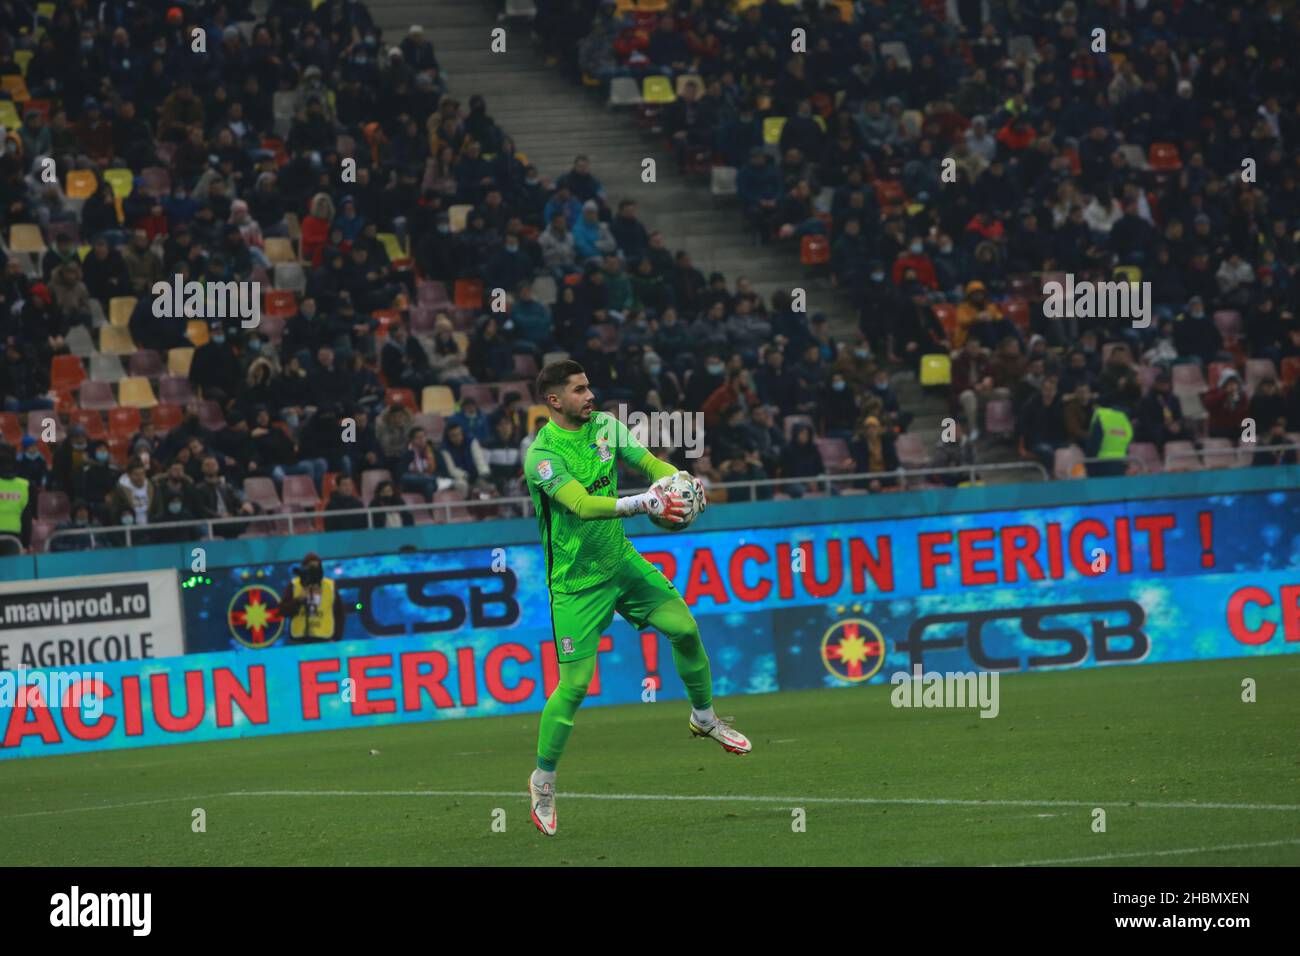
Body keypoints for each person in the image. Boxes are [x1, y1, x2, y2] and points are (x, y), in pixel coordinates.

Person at [522, 359, 749, 837]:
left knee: (685, 630)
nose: (590, 396)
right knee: (576, 686)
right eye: (579, 390)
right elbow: (582, 507)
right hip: (575, 585)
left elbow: (649, 465)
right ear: (555, 401)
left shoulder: (606, 425)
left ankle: (704, 718)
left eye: (589, 387)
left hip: (621, 562)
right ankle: (543, 782)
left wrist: (679, 482)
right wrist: (644, 502)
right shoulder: (542, 456)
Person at [277, 552, 346, 642]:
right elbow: (282, 611)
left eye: (316, 568)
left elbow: (340, 613)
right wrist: (298, 600)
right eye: (310, 568)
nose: (313, 571)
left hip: (325, 640)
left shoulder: (330, 586)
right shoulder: (294, 585)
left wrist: (336, 638)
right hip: (299, 640)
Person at [0, 445, 33, 551]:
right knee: (13, 567)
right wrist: (26, 544)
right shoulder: (24, 485)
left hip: (14, 537)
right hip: (14, 536)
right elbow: (26, 518)